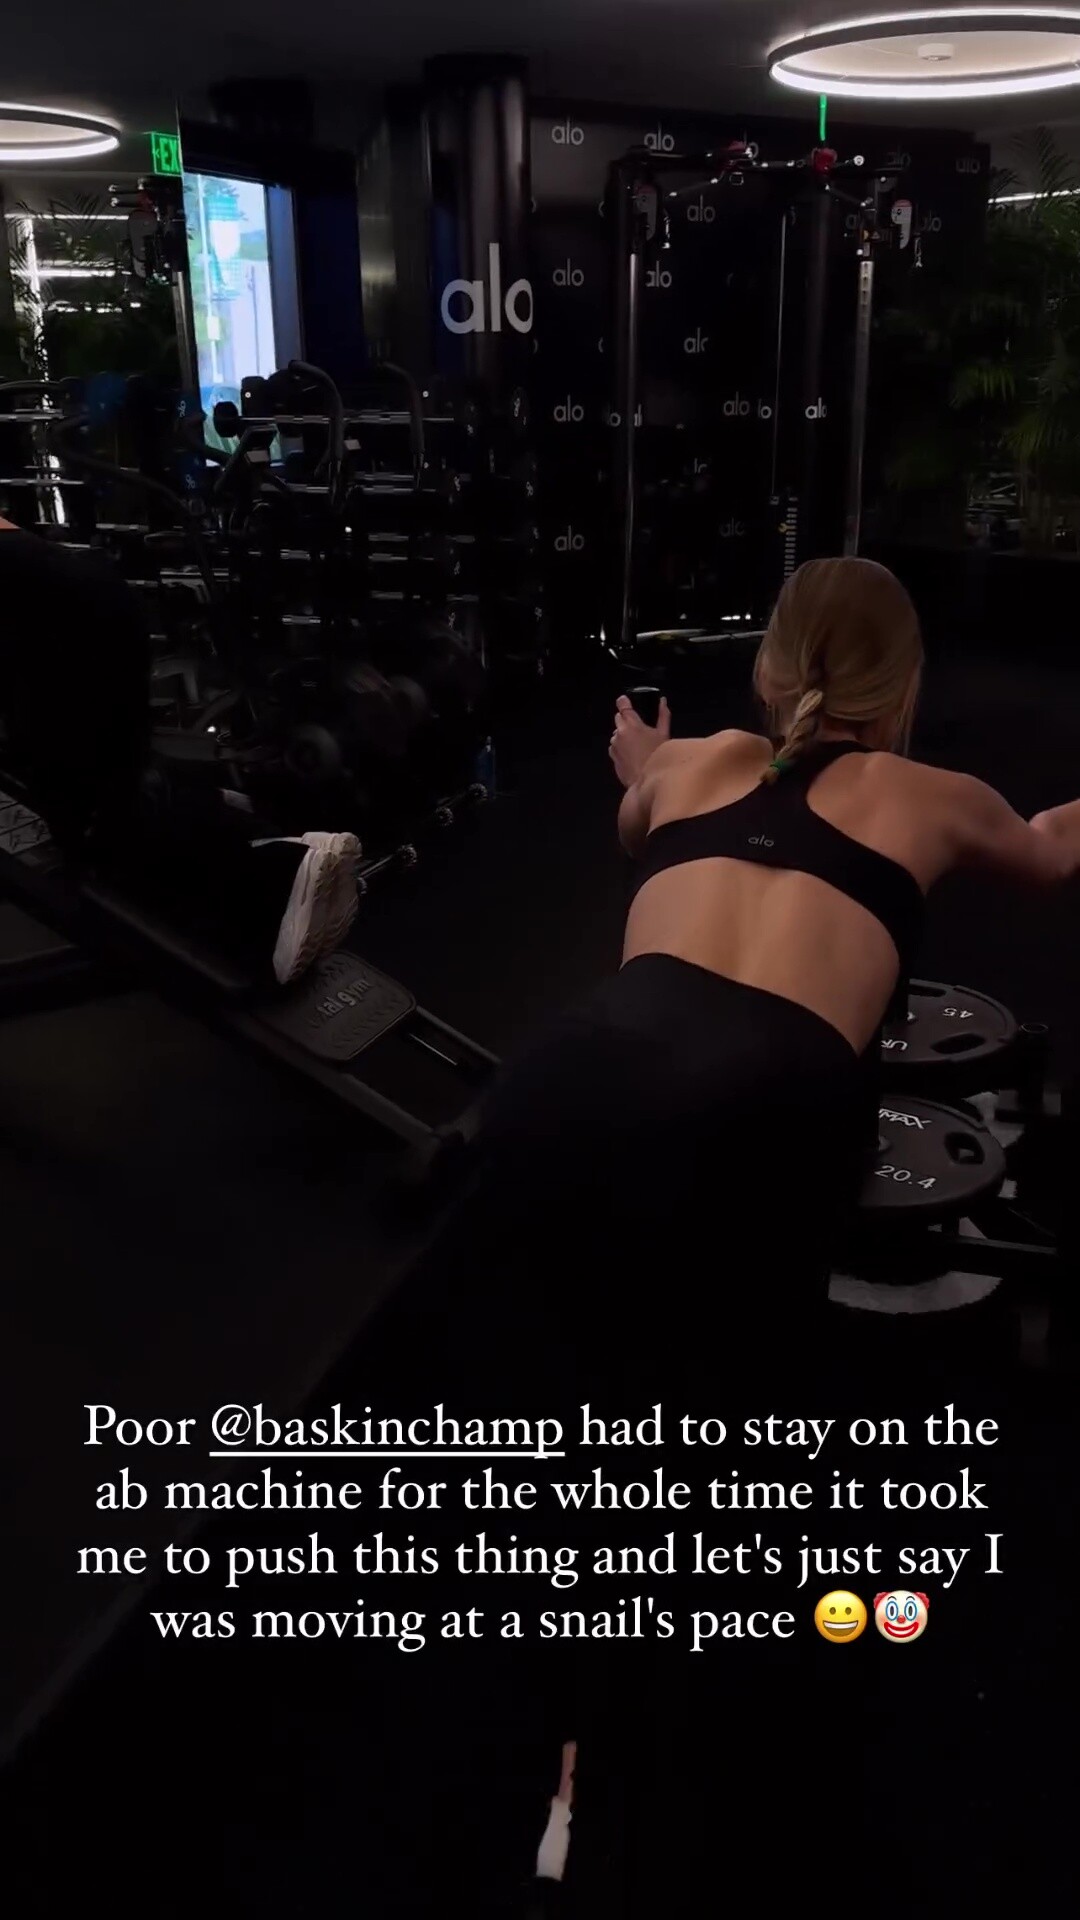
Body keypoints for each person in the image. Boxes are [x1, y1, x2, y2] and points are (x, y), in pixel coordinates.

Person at [341, 553, 1080, 1912]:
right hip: (759, 1099)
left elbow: (640, 818)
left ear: (766, 668)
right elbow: (1048, 852)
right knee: (703, 1446)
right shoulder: (932, 795)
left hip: (570, 1073)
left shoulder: (697, 766)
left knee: (573, 1421)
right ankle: (634, 1777)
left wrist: (643, 757)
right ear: (903, 684)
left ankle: (543, 1761)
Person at [0, 517, 360, 984]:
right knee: (117, 787)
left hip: (49, 610)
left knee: (89, 820)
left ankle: (276, 882)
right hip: (91, 589)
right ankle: (281, 854)